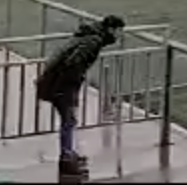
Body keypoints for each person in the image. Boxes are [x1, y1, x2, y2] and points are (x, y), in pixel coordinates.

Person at [35, 15, 125, 169]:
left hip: (56, 81)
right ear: (111, 29)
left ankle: (69, 153)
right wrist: (76, 80)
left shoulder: (88, 36)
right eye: (119, 31)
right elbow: (73, 63)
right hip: (61, 85)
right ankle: (67, 156)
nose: (120, 35)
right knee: (69, 120)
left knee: (69, 119)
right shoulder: (93, 41)